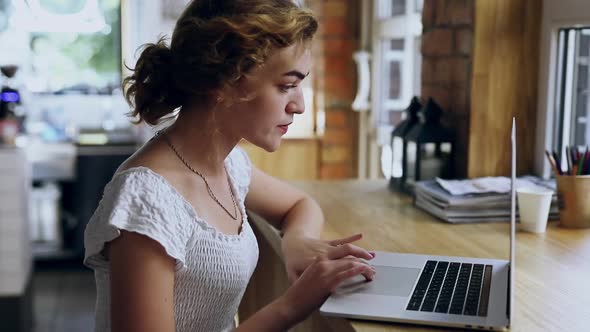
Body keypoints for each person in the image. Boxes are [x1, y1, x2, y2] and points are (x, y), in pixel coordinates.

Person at [83, 1, 376, 331]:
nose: (300, 105)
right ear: (223, 82)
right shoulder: (147, 200)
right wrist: (292, 306)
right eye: (286, 85)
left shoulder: (229, 165)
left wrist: (296, 242)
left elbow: (298, 205)